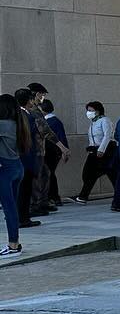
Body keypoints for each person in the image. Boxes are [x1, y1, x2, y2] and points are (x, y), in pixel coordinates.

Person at [20, 84, 64, 216]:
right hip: (34, 150)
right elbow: (45, 130)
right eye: (41, 95)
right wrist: (62, 147)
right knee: (36, 177)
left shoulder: (33, 110)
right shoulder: (31, 111)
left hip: (38, 149)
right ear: (34, 95)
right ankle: (35, 205)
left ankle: (42, 202)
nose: (43, 98)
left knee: (44, 174)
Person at [0, 94, 29, 257]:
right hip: (17, 167)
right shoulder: (18, 123)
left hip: (5, 170)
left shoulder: (2, 124)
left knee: (9, 209)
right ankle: (14, 243)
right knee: (12, 208)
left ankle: (13, 245)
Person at [71, 100, 117, 202]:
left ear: (97, 111)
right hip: (94, 151)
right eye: (88, 110)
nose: (88, 112)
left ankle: (83, 196)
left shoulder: (105, 120)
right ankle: (119, 194)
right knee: (108, 174)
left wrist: (101, 150)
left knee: (92, 174)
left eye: (91, 110)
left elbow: (107, 136)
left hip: (104, 151)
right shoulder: (94, 123)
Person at [11, 88, 44, 229]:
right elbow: (31, 139)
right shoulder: (26, 116)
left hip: (16, 158)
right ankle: (23, 218)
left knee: (19, 191)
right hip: (26, 158)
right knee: (25, 191)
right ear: (28, 100)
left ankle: (19, 217)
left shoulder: (13, 114)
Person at [40, 99, 68, 207]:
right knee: (49, 173)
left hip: (52, 151)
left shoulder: (53, 121)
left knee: (49, 173)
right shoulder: (50, 120)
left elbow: (61, 137)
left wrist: (64, 150)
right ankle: (52, 196)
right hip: (50, 151)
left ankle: (54, 197)